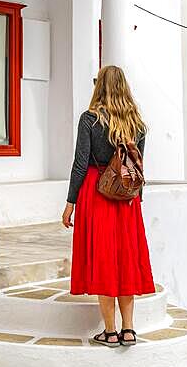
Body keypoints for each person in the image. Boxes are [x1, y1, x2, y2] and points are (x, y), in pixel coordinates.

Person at [62, 65, 155, 347]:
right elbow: (138, 167)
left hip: (97, 192)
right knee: (125, 260)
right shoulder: (137, 123)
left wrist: (70, 203)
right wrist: (135, 201)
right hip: (127, 200)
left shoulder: (89, 120)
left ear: (99, 86)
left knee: (104, 259)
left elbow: (81, 164)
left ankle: (110, 331)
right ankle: (129, 329)